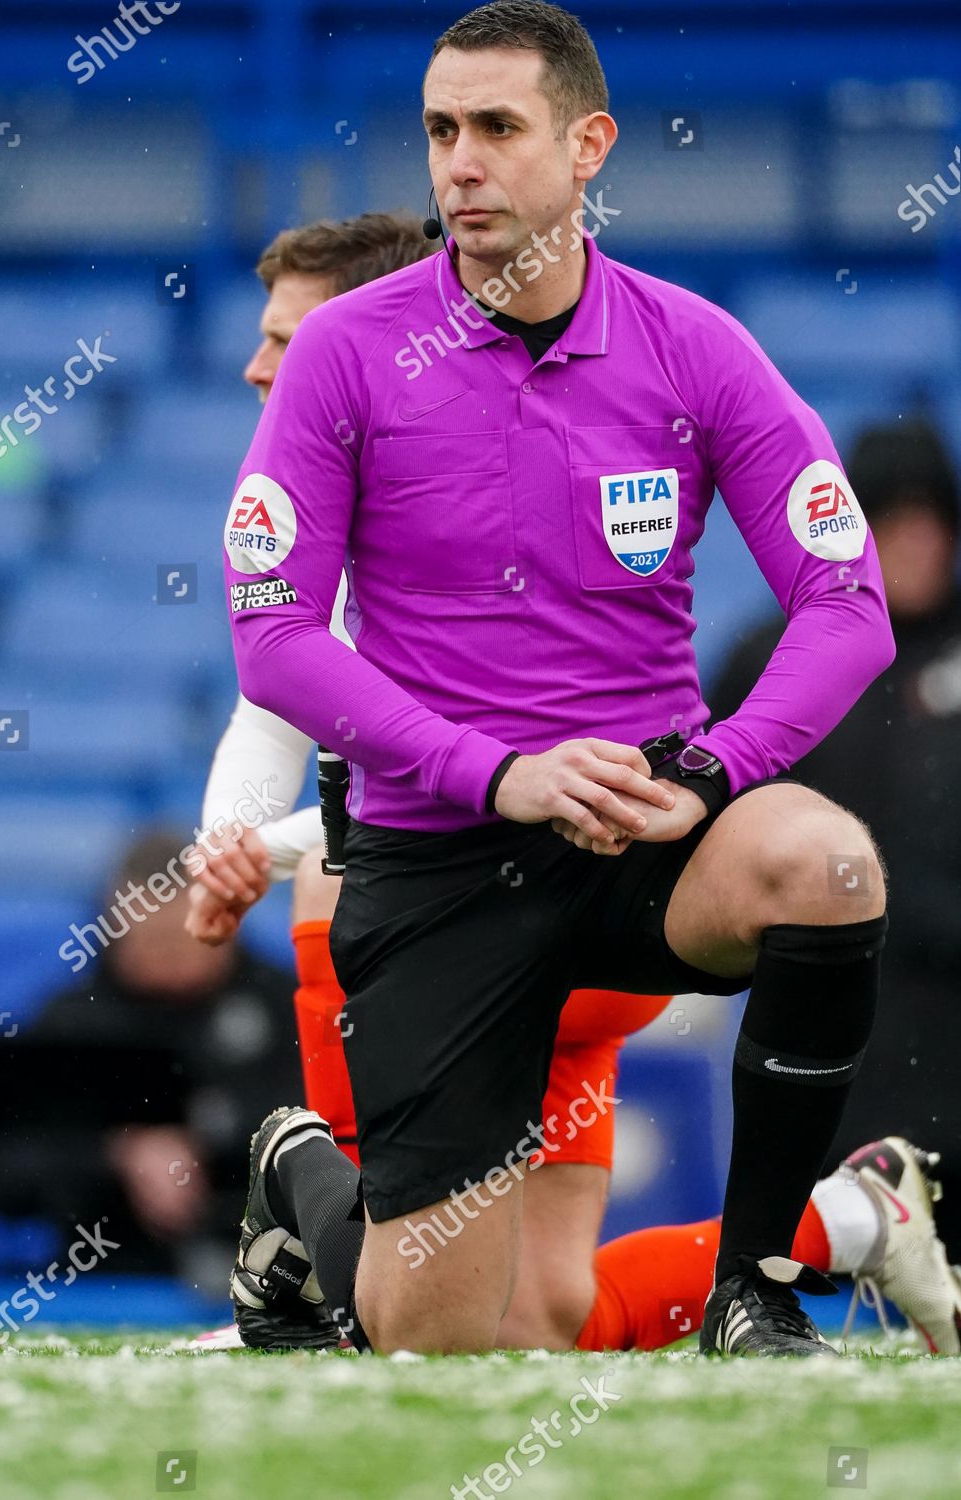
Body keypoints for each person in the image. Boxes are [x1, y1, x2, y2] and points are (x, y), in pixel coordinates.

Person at [220, 0, 898, 1358]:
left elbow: (846, 605)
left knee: (823, 864)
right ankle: (304, 1168)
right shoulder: (350, 354)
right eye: (438, 131)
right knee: (444, 1346)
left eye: (495, 129)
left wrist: (713, 768)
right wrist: (498, 772)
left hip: (637, 846)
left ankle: (754, 1289)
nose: (458, 164)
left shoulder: (692, 345)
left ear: (588, 147)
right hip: (437, 866)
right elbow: (275, 636)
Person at [186, 209, 676, 1351]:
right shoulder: (334, 470)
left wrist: (272, 851)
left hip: (536, 904)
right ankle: (848, 1219)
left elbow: (429, 791)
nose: (261, 367)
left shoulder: (451, 485)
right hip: (573, 911)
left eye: (286, 340)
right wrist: (230, 840)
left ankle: (308, 1198)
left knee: (345, 877)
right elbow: (278, 704)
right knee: (540, 1321)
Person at [708, 417, 961, 1258]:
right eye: (894, 523)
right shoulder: (774, 655)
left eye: (934, 523)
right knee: (816, 1235)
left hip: (951, 995)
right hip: (827, 994)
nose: (918, 545)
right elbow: (711, 804)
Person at [0, 831, 302, 1295]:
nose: (168, 961)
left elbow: (325, 1149)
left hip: (266, 1282)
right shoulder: (70, 1022)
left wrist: (206, 1140)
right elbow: (6, 1179)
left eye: (185, 938)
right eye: (149, 942)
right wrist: (120, 1153)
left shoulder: (282, 1006)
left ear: (225, 922)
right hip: (100, 1289)